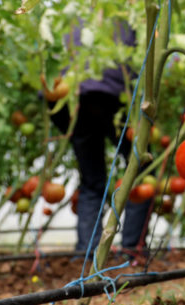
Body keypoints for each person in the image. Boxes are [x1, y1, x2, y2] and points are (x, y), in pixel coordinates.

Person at [48, 22, 150, 255]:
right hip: (110, 92)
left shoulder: (79, 10)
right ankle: (131, 250)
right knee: (141, 173)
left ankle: (86, 252)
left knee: (92, 180)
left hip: (67, 98)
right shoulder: (129, 11)